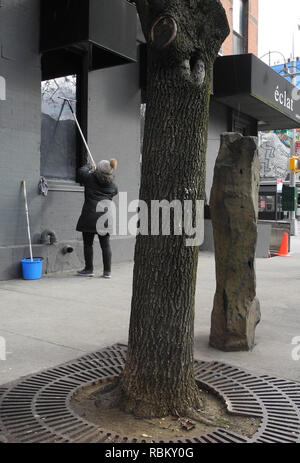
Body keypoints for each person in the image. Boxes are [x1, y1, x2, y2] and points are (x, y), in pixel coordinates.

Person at [76, 159, 118, 278]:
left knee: (88, 244)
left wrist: (90, 166)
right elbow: (114, 192)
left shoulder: (89, 179)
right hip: (105, 218)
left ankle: (89, 269)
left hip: (90, 215)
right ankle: (107, 272)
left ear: (98, 169)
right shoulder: (113, 185)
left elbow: (81, 172)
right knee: (105, 245)